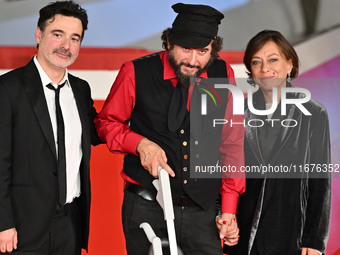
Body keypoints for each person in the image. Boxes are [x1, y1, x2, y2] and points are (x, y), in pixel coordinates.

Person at [95, 3, 245, 255]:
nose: (193, 60)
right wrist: (140, 143)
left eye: (203, 51)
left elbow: (231, 141)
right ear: (168, 42)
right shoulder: (135, 72)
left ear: (213, 49)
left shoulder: (223, 73)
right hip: (147, 205)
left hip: (203, 210)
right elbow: (105, 124)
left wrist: (229, 207)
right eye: (186, 48)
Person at [0, 1, 101, 254]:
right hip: (22, 227)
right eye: (58, 35)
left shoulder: (80, 89)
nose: (66, 46)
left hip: (70, 223)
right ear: (39, 35)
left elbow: (99, 132)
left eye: (74, 38)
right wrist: (3, 223)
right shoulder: (7, 89)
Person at [222, 30, 331, 255]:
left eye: (273, 59)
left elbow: (320, 182)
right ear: (250, 70)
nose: (265, 69)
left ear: (290, 64)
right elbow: (224, 170)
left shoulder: (313, 113)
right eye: (256, 62)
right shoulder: (237, 112)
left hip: (291, 233)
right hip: (244, 233)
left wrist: (314, 241)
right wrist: (223, 216)